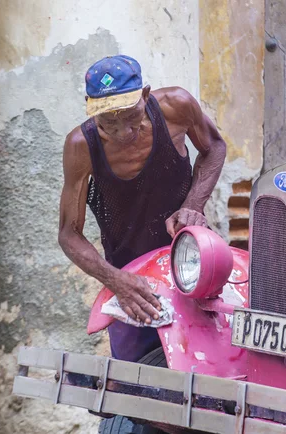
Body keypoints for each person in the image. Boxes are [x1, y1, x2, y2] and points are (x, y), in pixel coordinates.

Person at [58, 55, 226, 363]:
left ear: (145, 95)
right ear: (90, 108)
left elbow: (214, 146)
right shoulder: (81, 146)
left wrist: (193, 205)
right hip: (130, 278)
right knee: (135, 381)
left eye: (129, 114)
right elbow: (69, 234)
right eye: (108, 120)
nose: (123, 131)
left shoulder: (176, 106)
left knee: (209, 362)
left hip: (190, 261)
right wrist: (114, 280)